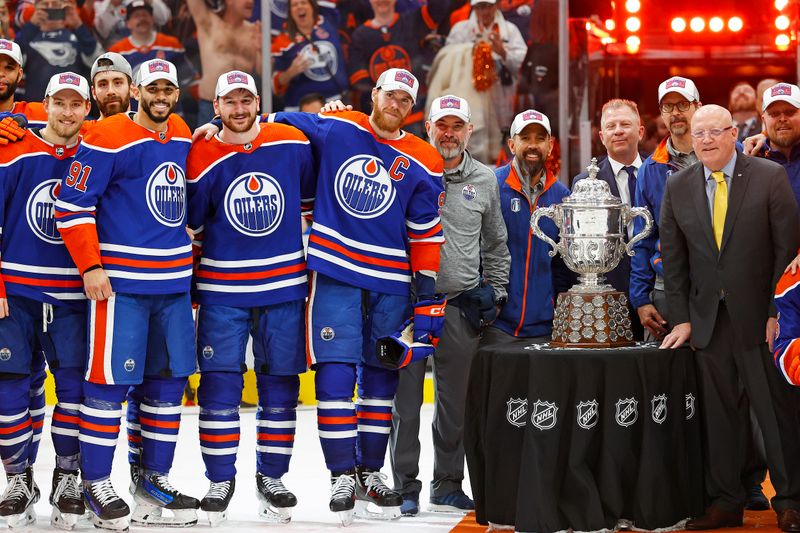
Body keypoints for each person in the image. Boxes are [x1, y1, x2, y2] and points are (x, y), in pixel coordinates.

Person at [261, 67, 445, 525]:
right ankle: (342, 473)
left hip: (390, 280)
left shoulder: (425, 159)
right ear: (374, 94)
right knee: (336, 377)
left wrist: (425, 296)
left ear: (412, 107)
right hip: (336, 269)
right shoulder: (338, 124)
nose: (396, 104)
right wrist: (214, 128)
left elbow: (424, 233)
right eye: (390, 95)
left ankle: (369, 471)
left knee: (382, 380)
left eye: (406, 99)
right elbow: (268, 120)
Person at [54, 59, 199, 530]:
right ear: (137, 90)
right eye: (151, 88)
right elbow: (71, 205)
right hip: (122, 287)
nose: (159, 96)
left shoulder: (180, 130)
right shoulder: (106, 135)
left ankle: (152, 478)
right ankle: (97, 482)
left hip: (174, 288)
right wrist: (91, 266)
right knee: (107, 385)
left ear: (176, 94)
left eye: (167, 89)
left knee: (166, 386)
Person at [659, 104, 800, 533]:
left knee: (775, 414)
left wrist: (781, 312)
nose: (705, 140)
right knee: (719, 417)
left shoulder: (768, 177)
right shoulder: (678, 186)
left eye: (714, 132)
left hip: (762, 320)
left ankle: (791, 502)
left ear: (734, 133)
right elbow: (675, 261)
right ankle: (726, 502)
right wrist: (681, 318)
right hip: (708, 322)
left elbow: (788, 251)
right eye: (699, 134)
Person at [186, 70, 315, 525]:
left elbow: (310, 201)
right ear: (216, 106)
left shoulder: (291, 142)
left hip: (283, 288)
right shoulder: (199, 151)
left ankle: (272, 477)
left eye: (246, 100)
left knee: (280, 386)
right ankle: (220, 479)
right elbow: (194, 222)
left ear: (259, 101)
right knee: (219, 386)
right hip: (222, 290)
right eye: (229, 102)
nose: (239, 110)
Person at [389, 94, 510, 516]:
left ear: (469, 131)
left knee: (455, 404)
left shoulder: (487, 179)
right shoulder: (407, 171)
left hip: (460, 306)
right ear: (428, 128)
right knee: (405, 403)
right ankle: (404, 485)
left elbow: (496, 242)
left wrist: (495, 292)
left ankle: (447, 483)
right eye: (442, 125)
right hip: (408, 307)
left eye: (457, 126)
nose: (449, 133)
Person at [0, 71, 91, 530]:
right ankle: (18, 477)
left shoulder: (98, 156)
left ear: (87, 110)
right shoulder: (14, 151)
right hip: (15, 296)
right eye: (60, 102)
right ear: (45, 105)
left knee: (73, 392)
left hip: (74, 298)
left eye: (77, 104)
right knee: (10, 388)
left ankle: (67, 477)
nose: (68, 111)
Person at [481, 109, 571, 343]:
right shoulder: (491, 185)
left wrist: (558, 310)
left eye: (540, 139)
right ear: (512, 144)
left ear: (550, 146)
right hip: (496, 325)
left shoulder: (563, 197)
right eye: (525, 138)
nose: (533, 145)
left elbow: (563, 266)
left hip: (545, 327)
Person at [631, 76, 701, 340]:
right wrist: (640, 298)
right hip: (666, 288)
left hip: (718, 288)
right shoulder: (651, 169)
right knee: (665, 375)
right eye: (668, 107)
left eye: (683, 105)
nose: (675, 113)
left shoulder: (728, 154)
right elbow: (642, 237)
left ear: (698, 106)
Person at [572, 98, 645, 339]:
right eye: (611, 126)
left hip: (658, 292)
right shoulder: (584, 183)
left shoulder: (660, 172)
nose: (619, 131)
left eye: (625, 124)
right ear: (602, 137)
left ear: (640, 131)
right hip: (608, 293)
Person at [443, 0, 527, 164]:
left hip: (502, 99)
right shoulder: (461, 30)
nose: (485, 12)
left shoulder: (509, 31)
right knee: (472, 140)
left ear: (496, 6)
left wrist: (503, 53)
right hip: (470, 97)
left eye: (488, 6)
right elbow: (447, 61)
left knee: (503, 141)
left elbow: (524, 63)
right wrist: (472, 52)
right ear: (474, 7)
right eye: (480, 7)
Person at [186, 0, 261, 124]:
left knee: (244, 143)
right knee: (207, 143)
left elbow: (264, 72)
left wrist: (261, 49)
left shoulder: (255, 31)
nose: (250, 2)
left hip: (243, 106)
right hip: (211, 105)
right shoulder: (208, 22)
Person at [14, 0, 102, 101]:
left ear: (64, 8)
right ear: (36, 8)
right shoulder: (27, 36)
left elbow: (98, 63)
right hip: (35, 107)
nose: (51, 8)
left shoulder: (78, 36)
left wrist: (78, 25)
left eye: (55, 4)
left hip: (71, 105)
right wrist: (31, 25)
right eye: (45, 4)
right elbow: (14, 60)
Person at [271, 0, 348, 111]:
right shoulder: (282, 42)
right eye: (294, 5)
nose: (299, 7)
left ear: (313, 6)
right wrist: (291, 72)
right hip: (300, 108)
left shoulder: (328, 21)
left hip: (336, 101)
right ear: (290, 12)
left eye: (303, 2)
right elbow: (274, 86)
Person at [108, 0, 197, 92]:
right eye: (136, 16)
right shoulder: (117, 51)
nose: (142, 19)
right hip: (134, 105)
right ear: (128, 23)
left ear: (153, 19)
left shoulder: (171, 45)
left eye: (145, 15)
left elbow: (189, 79)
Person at [93, 0, 171, 48]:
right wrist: (111, 5)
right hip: (119, 50)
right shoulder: (101, 4)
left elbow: (164, 18)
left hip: (150, 45)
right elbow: (103, 32)